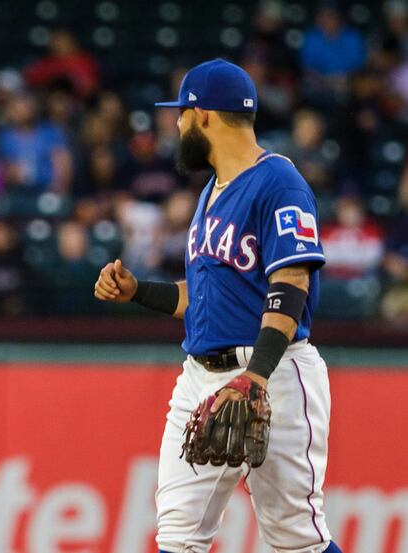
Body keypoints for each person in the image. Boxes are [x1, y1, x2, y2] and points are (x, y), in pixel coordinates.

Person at [94, 59, 342, 553]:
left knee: (296, 538)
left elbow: (290, 286)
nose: (177, 124)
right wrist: (137, 290)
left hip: (274, 373)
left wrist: (256, 379)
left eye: (182, 114)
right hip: (199, 378)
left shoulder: (279, 182)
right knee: (178, 537)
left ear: (204, 115)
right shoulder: (211, 190)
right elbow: (202, 297)